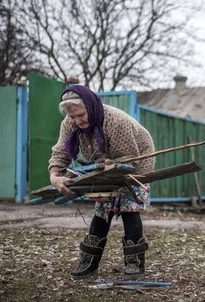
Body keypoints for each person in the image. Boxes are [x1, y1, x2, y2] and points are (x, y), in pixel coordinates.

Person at [48, 84, 155, 279]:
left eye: (81, 115)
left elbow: (128, 158)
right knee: (103, 209)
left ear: (90, 106)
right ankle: (89, 261)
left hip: (136, 160)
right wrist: (55, 176)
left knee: (128, 208)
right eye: (72, 117)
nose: (77, 121)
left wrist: (107, 167)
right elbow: (61, 151)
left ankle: (134, 262)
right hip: (103, 163)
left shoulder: (116, 121)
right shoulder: (70, 122)